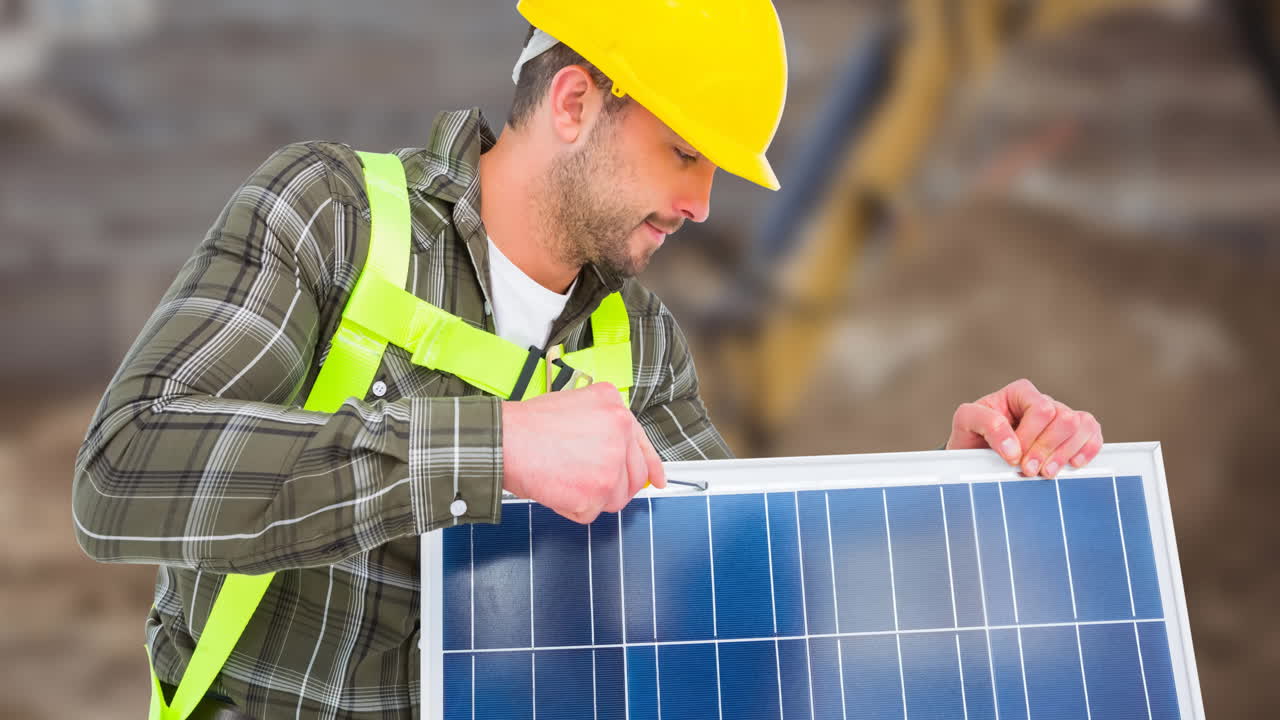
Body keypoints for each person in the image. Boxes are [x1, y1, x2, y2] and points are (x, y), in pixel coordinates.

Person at [72, 1, 1102, 718]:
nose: (702, 204)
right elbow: (123, 471)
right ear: (573, 104)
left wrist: (945, 486)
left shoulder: (636, 343)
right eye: (684, 153)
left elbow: (737, 605)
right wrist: (491, 449)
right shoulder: (331, 218)